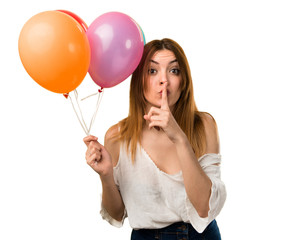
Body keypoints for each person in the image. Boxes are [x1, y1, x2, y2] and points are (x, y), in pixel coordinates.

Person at [83, 38, 226, 240]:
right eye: (152, 71)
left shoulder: (203, 126)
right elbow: (116, 214)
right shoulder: (117, 136)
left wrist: (179, 138)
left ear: (183, 81)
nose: (163, 80)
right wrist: (105, 175)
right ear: (139, 79)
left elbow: (204, 208)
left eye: (174, 70)